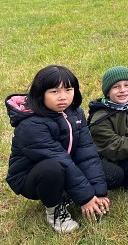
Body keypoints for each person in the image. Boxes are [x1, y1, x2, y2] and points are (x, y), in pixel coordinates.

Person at [6, 65, 110, 233]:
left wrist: (98, 192)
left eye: (68, 90)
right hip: (32, 177)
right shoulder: (30, 124)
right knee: (52, 168)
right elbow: (59, 158)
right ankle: (54, 211)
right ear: (40, 93)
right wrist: (86, 198)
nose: (63, 97)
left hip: (66, 165)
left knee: (113, 174)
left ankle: (67, 194)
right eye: (54, 91)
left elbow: (86, 153)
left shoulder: (75, 112)